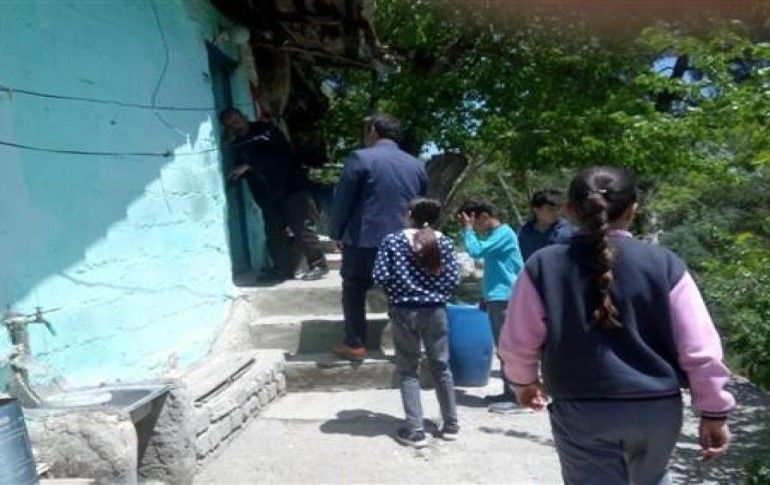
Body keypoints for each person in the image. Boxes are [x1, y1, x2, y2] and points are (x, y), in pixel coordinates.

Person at [499, 166, 735, 484]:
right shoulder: (665, 264)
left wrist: (524, 382)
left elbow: (518, 342)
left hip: (582, 409)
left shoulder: (543, 265)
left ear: (569, 210)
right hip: (657, 409)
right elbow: (700, 349)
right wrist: (714, 411)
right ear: (632, 210)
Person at [330, 114, 429, 360]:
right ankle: (407, 347)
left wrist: (336, 233)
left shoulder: (360, 158)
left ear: (374, 130)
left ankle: (355, 344)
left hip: (364, 239)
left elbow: (343, 199)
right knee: (402, 292)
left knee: (354, 288)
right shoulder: (416, 164)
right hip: (405, 241)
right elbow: (423, 205)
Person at [373, 198, 461, 448]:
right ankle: (451, 424)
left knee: (408, 369)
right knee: (441, 367)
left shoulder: (392, 241)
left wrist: (398, 291)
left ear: (410, 214)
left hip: (403, 311)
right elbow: (454, 280)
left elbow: (380, 276)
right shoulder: (445, 242)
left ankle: (415, 429)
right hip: (436, 312)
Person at [219, 108, 328, 282]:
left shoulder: (265, 130)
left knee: (301, 227)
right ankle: (281, 269)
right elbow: (241, 168)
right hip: (267, 195)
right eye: (230, 124)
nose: (235, 125)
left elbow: (281, 154)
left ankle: (318, 264)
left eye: (236, 120)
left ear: (243, 117)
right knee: (274, 232)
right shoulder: (238, 144)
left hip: (291, 187)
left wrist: (249, 165)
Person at [458, 199, 524, 413]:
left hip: (507, 297)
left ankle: (518, 397)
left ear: (484, 216)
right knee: (503, 348)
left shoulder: (504, 233)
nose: (473, 227)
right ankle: (509, 391)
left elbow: (475, 250)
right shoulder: (497, 236)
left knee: (509, 348)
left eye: (473, 222)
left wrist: (468, 230)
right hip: (497, 297)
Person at [518, 189, 575, 262]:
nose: (556, 213)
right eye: (550, 209)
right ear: (536, 210)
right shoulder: (524, 233)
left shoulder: (567, 232)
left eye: (557, 209)